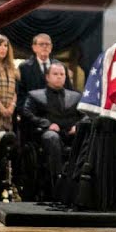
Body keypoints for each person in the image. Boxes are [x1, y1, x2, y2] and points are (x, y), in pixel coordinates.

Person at [22, 62, 82, 196]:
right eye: (55, 74)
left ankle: (80, 184)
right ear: (47, 77)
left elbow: (85, 115)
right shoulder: (35, 95)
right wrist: (46, 124)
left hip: (71, 134)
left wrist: (77, 126)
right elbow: (26, 113)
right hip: (47, 134)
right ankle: (57, 183)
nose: (59, 77)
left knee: (86, 134)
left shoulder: (76, 96)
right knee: (52, 137)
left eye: (62, 74)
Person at [17, 32, 73, 115]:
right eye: (41, 44)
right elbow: (20, 95)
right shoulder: (24, 67)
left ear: (51, 47)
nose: (45, 47)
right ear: (34, 47)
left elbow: (69, 93)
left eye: (47, 44)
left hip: (56, 116)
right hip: (32, 116)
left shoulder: (61, 67)